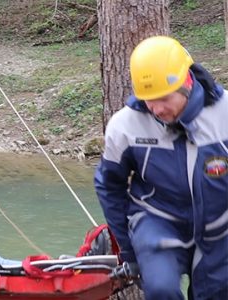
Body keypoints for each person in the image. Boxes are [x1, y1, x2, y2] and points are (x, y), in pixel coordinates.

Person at [94, 36, 228, 300]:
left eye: (163, 98)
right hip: (157, 221)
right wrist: (129, 252)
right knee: (161, 289)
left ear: (187, 82)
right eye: (147, 100)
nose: (156, 109)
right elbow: (109, 186)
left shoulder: (224, 114)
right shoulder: (125, 126)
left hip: (220, 227)